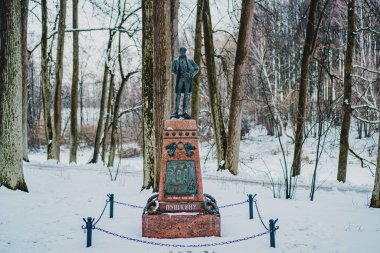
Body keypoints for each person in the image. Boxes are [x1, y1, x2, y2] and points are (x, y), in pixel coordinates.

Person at [171, 46, 199, 119]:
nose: (182, 53)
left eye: (183, 51)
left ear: (185, 52)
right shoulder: (175, 61)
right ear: (179, 52)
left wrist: (192, 75)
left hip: (187, 80)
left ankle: (185, 111)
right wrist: (177, 74)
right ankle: (176, 111)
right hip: (180, 79)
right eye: (180, 51)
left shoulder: (190, 61)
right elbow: (172, 70)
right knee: (178, 95)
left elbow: (197, 68)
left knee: (186, 95)